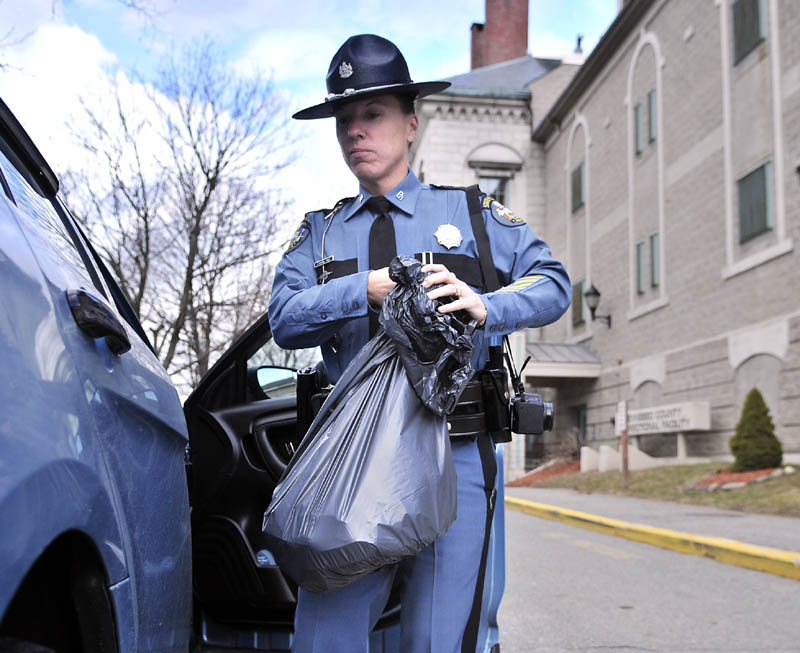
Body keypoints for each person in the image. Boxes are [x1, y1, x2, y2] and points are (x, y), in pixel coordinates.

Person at [268, 34, 571, 652]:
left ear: (411, 124)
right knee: (328, 638)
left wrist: (490, 305)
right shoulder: (319, 237)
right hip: (351, 466)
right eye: (345, 119)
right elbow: (284, 320)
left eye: (372, 115)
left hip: (456, 451)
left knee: (444, 639)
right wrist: (364, 290)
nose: (356, 131)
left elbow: (554, 284)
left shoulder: (473, 214)